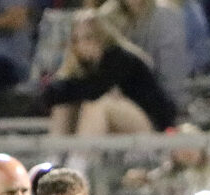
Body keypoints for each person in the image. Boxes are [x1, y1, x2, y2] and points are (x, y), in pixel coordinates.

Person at [45, 10, 177, 139]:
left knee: (98, 104)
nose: (82, 44)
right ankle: (54, 156)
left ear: (102, 36)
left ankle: (79, 159)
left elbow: (95, 90)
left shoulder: (118, 57)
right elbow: (53, 96)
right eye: (76, 39)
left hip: (153, 125)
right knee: (63, 106)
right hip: (117, 125)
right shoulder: (82, 66)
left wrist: (63, 90)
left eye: (88, 37)